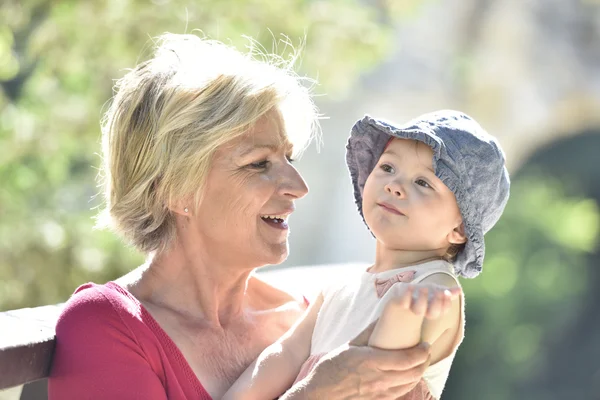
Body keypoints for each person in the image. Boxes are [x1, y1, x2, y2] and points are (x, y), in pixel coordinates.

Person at [47, 33, 436, 400]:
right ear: (176, 190)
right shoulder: (107, 328)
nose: (298, 186)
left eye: (289, 158)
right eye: (258, 164)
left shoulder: (303, 320)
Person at [223, 111, 511, 400]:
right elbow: (286, 352)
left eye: (423, 183)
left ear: (459, 228)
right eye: (387, 167)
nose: (394, 185)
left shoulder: (435, 288)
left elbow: (378, 374)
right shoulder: (341, 286)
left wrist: (400, 310)